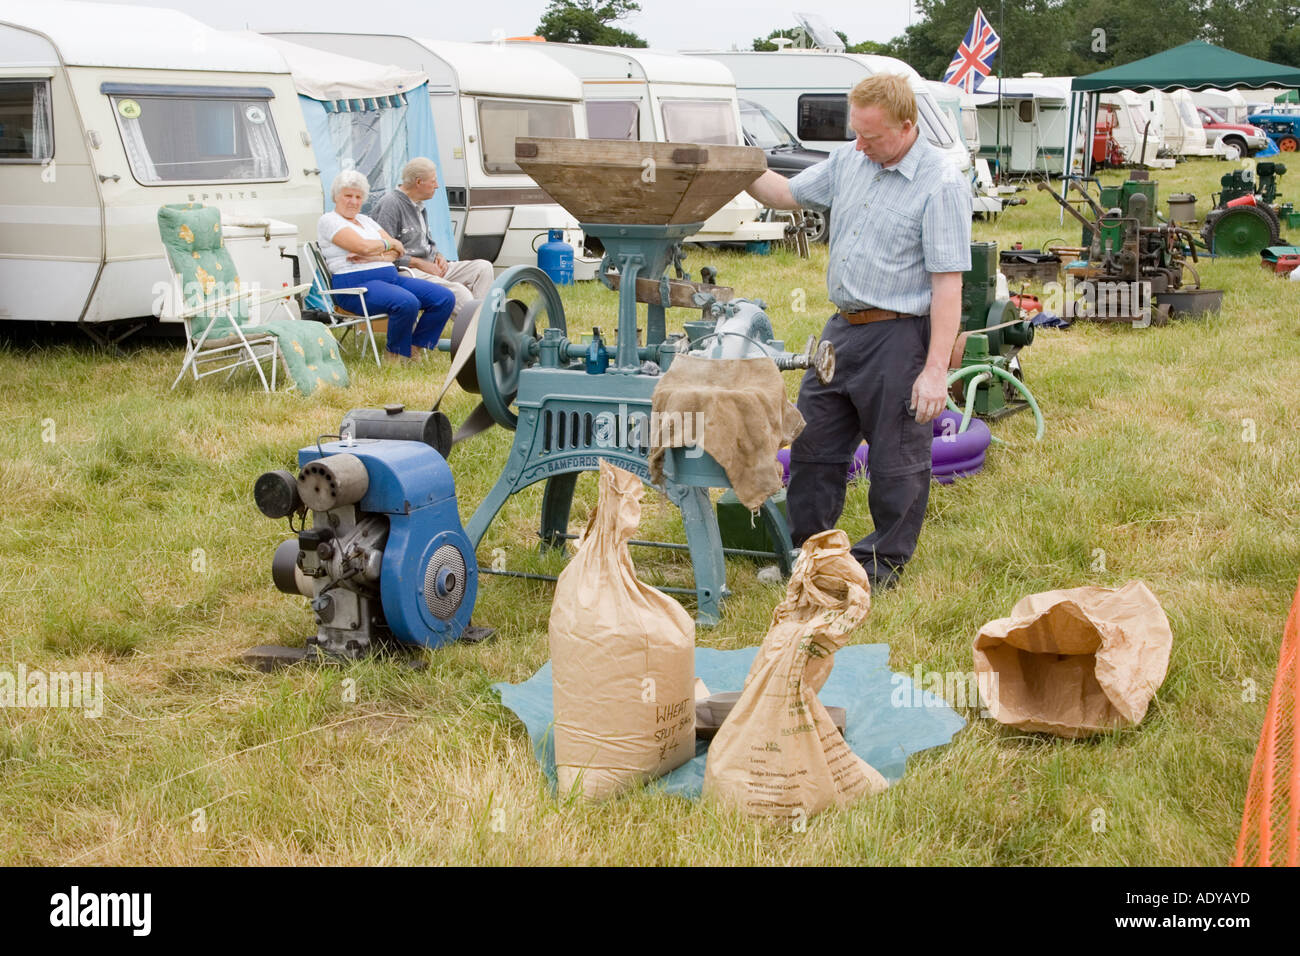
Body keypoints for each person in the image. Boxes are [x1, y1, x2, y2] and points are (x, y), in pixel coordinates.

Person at [745, 73, 972, 591]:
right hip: (840, 331)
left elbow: (947, 285)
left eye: (872, 136)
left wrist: (936, 370)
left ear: (907, 126)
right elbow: (784, 192)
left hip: (899, 337)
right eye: (856, 133)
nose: (860, 145)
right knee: (812, 449)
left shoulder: (940, 183)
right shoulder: (851, 160)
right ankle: (812, 561)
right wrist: (740, 165)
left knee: (897, 462)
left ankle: (879, 567)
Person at [317, 170, 455, 362]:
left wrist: (377, 255)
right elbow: (363, 246)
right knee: (406, 302)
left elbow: (398, 251)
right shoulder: (329, 220)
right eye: (348, 195)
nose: (354, 201)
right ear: (336, 197)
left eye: (358, 197)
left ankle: (414, 347)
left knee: (444, 297)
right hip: (354, 285)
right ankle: (395, 355)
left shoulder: (366, 221)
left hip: (390, 278)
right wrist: (384, 246)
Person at [373, 157, 495, 322]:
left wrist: (438, 255)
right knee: (460, 292)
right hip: (407, 272)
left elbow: (425, 241)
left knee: (483, 268)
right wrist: (419, 263)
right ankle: (479, 335)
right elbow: (382, 252)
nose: (437, 186)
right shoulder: (391, 204)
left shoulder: (419, 205)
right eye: (433, 181)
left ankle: (483, 325)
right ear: (418, 182)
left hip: (430, 266)